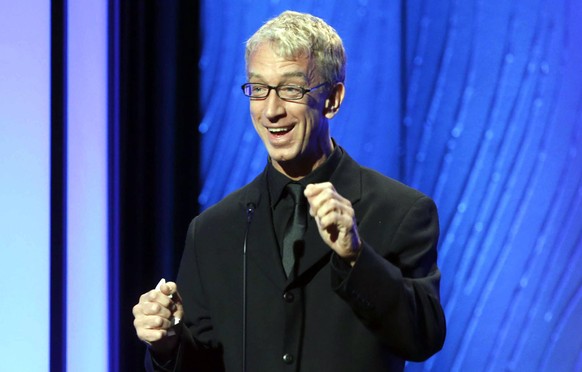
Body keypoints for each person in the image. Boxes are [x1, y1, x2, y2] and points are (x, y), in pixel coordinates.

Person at [132, 10, 446, 371]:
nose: (271, 110)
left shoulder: (401, 211)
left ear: (332, 98)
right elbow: (202, 362)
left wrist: (356, 258)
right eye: (259, 88)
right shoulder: (213, 231)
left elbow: (424, 337)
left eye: (291, 89)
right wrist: (167, 344)